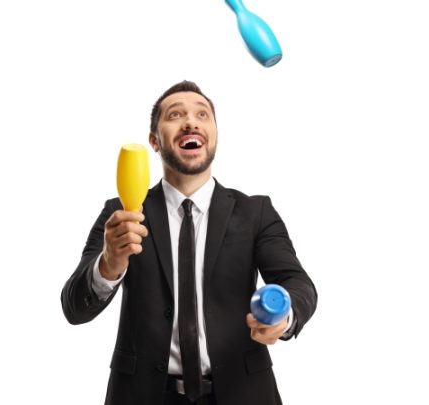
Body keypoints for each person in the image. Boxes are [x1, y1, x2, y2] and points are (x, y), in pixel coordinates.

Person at [61, 80, 317, 405]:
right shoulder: (121, 213)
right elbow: (73, 308)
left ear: (214, 135)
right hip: (144, 396)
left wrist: (285, 316)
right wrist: (108, 266)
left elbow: (298, 283)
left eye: (202, 114)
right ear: (154, 140)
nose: (191, 122)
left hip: (243, 394)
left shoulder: (256, 212)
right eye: (175, 115)